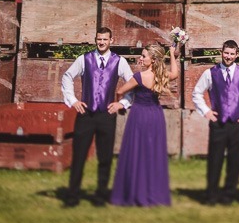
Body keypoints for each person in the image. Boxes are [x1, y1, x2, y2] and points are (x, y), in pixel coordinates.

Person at [61, 26, 134, 207]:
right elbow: (67, 76)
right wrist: (73, 100)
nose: (101, 42)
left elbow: (133, 84)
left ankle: (101, 196)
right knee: (78, 157)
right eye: (99, 39)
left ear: (111, 40)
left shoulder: (120, 61)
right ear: (96, 40)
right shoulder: (84, 59)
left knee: (105, 157)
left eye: (105, 39)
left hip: (106, 116)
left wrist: (122, 103)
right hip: (85, 115)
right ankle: (72, 196)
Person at [110, 44, 179, 206]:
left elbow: (120, 91)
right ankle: (153, 192)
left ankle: (135, 190)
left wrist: (118, 104)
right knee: (153, 154)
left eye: (143, 56)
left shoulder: (139, 77)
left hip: (139, 115)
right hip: (155, 115)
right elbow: (175, 73)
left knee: (136, 152)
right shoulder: (162, 75)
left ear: (152, 60)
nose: (140, 59)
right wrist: (172, 53)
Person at [191, 39, 239, 205]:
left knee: (235, 160)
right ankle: (212, 195)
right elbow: (196, 93)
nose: (228, 56)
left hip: (237, 123)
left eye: (232, 54)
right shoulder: (210, 73)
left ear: (237, 55)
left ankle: (229, 194)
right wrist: (206, 112)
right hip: (218, 124)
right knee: (215, 160)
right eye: (226, 53)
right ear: (221, 53)